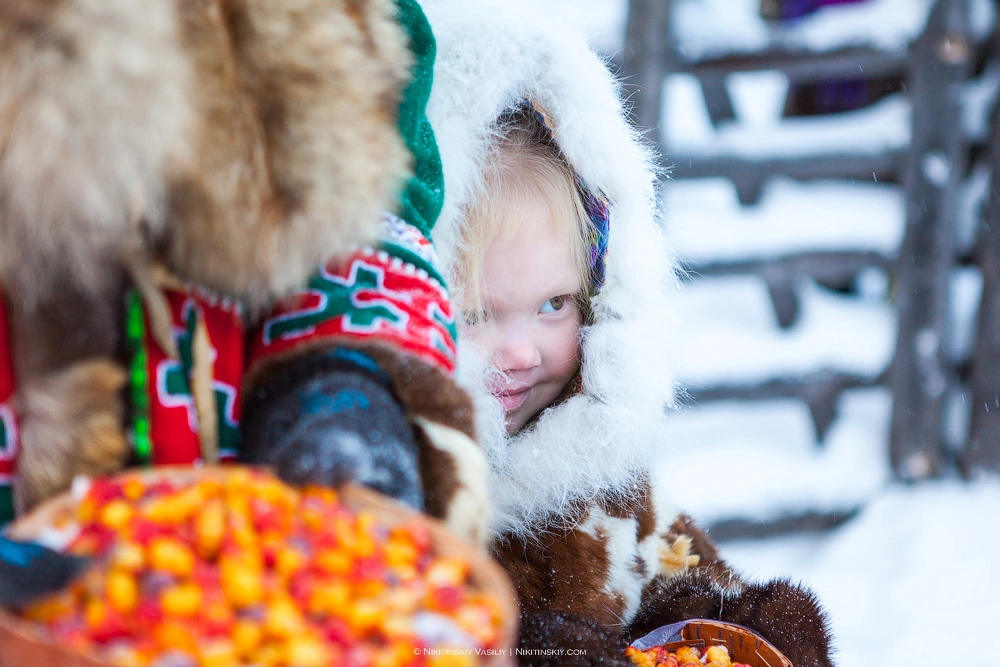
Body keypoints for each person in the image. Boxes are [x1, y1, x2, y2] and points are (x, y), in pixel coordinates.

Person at [422, 1, 833, 665]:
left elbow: (686, 580)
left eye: (554, 303)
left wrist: (756, 630)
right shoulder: (399, 502)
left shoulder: (602, 479)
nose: (523, 352)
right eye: (475, 314)